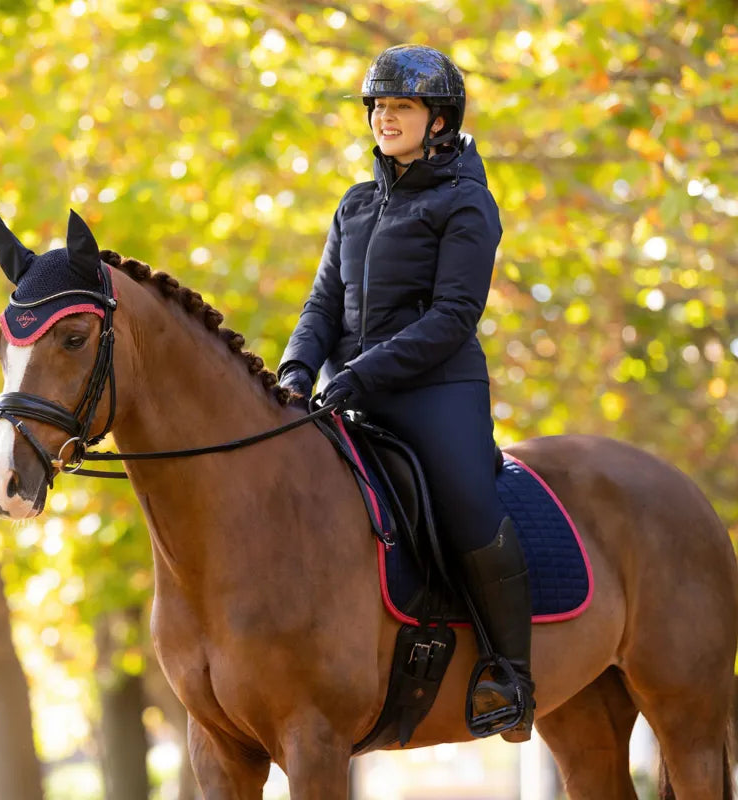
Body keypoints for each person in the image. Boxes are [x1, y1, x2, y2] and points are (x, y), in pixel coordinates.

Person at [277, 44, 535, 741]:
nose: (385, 118)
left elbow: (453, 316)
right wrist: (296, 370)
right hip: (348, 390)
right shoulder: (354, 205)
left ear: (439, 120)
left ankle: (511, 676)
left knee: (466, 503)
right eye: (378, 107)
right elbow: (321, 306)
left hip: (435, 389)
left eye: (402, 107)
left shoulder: (467, 202)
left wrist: (361, 373)